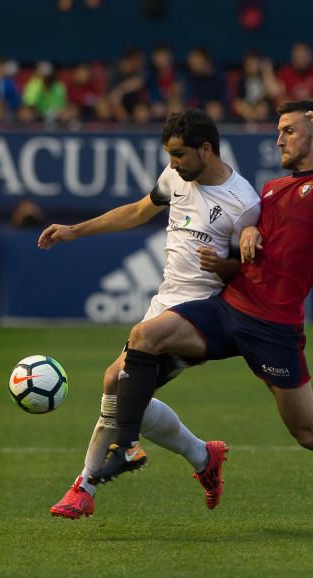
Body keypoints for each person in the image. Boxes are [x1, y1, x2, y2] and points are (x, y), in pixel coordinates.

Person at [91, 99, 313, 523]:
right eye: (278, 130)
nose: (279, 138)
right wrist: (241, 245)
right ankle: (127, 445)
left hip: (273, 328)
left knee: (309, 433)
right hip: (228, 308)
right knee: (144, 336)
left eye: (289, 130)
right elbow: (251, 260)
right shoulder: (271, 189)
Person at [37, 108, 261, 518]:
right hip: (163, 302)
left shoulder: (243, 203)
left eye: (179, 154)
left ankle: (84, 486)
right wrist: (74, 230)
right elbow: (139, 211)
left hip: (198, 314)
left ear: (206, 149)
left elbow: (249, 271)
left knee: (115, 381)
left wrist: (227, 266)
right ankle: (201, 456)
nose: (172, 162)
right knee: (120, 388)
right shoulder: (175, 178)